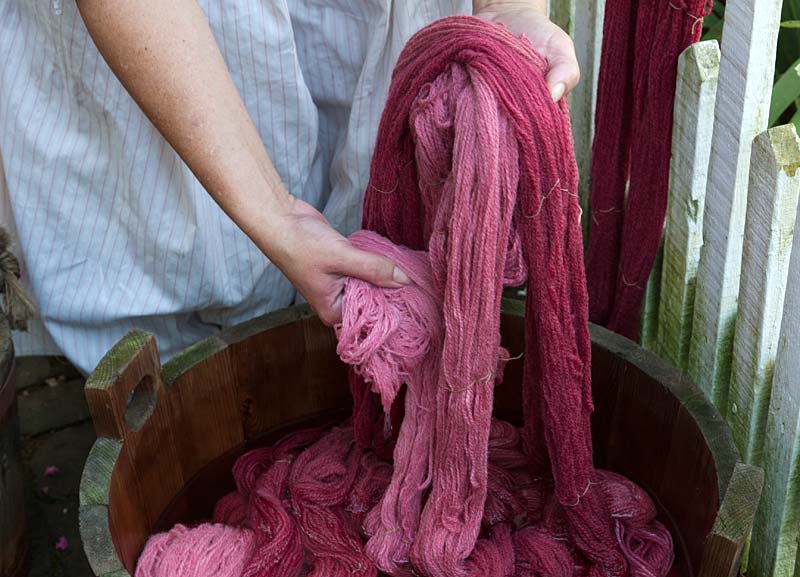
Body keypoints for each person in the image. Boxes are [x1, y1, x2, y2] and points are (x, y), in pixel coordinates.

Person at [0, 1, 579, 373]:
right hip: (166, 35)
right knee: (173, 243)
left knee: (354, 222)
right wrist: (275, 216)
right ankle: (190, 391)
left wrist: (510, 7)